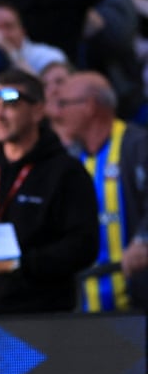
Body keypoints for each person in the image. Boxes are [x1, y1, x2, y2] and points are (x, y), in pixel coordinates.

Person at [0, 69, 99, 315]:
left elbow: (83, 247)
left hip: (41, 313)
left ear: (37, 110)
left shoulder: (67, 172)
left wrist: (19, 263)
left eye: (10, 104)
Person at [53, 71, 148, 311]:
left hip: (137, 303)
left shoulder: (138, 146)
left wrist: (143, 241)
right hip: (84, 304)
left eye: (64, 103)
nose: (58, 112)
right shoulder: (70, 157)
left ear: (90, 106)